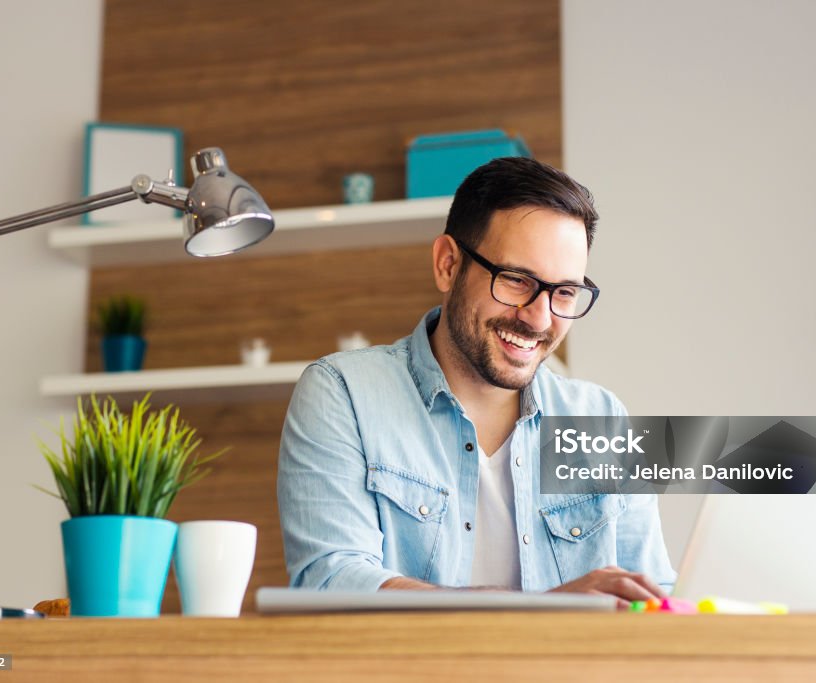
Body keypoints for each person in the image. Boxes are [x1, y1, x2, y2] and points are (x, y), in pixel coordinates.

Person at [278, 157, 674, 606]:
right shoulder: (342, 393)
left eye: (564, 292)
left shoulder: (602, 419)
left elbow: (653, 597)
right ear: (448, 264)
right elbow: (331, 580)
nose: (539, 318)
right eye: (516, 280)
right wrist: (543, 611)